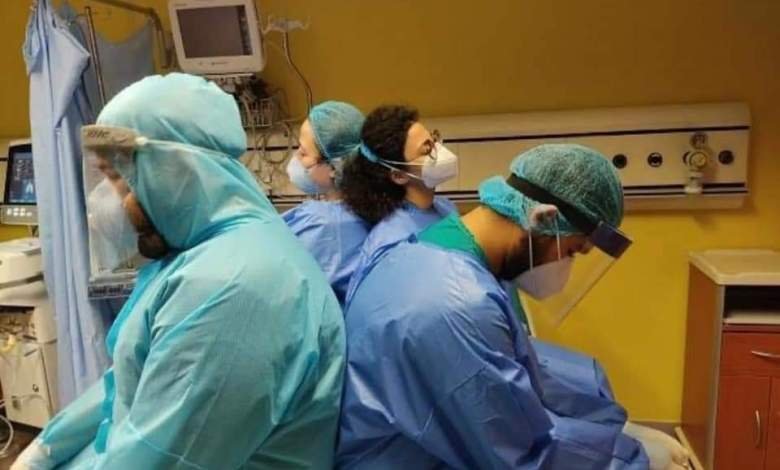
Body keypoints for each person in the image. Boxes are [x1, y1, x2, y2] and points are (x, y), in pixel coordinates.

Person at [13, 73, 345, 470]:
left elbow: (164, 457)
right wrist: (45, 448)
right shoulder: (201, 255)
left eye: (116, 178)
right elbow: (124, 384)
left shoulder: (234, 287)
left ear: (173, 170)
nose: (104, 202)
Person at [338, 143, 689, 469]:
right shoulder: (457, 304)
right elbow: (521, 455)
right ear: (544, 219)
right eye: (571, 251)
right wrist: (629, 458)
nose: (566, 268)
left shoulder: (440, 248)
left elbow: (518, 376)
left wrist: (610, 426)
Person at [339, 105, 458, 308]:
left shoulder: (445, 208)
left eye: (434, 139)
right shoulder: (394, 243)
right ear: (399, 175)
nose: (439, 151)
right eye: (427, 149)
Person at [282, 101, 369, 304]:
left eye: (304, 153)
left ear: (334, 167)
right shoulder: (378, 208)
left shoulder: (319, 224)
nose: (296, 156)